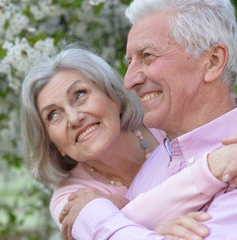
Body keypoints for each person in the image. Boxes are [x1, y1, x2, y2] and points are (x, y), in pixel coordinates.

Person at [59, 0, 237, 239]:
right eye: (129, 62)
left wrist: (91, 214)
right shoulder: (158, 154)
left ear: (213, 61)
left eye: (148, 56)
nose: (128, 81)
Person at [20, 47, 237, 239]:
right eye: (53, 115)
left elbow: (103, 226)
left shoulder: (161, 122)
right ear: (52, 143)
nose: (74, 118)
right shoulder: (69, 200)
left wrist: (113, 214)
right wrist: (216, 166)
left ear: (114, 97)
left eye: (79, 95)